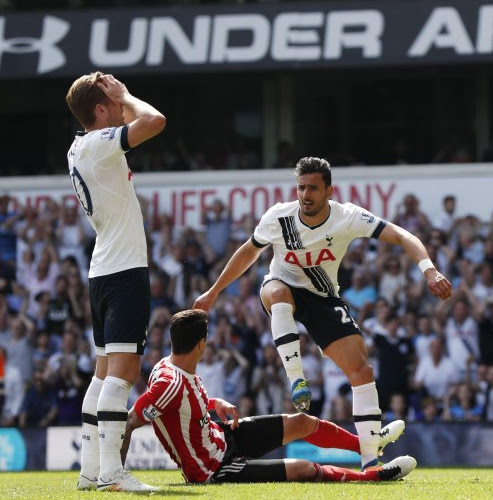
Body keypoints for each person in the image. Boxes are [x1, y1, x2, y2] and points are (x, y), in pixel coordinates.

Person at [194, 157, 452, 470]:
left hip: (323, 297)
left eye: (313, 188)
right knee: (277, 293)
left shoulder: (347, 217)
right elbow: (249, 252)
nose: (305, 194)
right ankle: (297, 380)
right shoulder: (279, 216)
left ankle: (371, 460)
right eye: (301, 187)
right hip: (281, 286)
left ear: (329, 191)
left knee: (362, 371)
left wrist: (429, 270)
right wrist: (214, 291)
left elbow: (401, 235)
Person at [122, 309, 414, 485]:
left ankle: (370, 446)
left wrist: (215, 404)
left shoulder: (169, 366)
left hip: (223, 436)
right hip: (214, 469)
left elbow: (179, 406)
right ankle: (375, 477)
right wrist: (116, 472)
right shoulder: (168, 383)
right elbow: (130, 422)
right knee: (304, 469)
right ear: (202, 344)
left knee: (302, 422)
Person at [65, 71, 166, 492]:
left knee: (103, 374)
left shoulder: (78, 148)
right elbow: (155, 120)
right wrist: (127, 95)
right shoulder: (98, 144)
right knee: (122, 374)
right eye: (111, 101)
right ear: (100, 109)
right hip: (123, 271)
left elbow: (131, 122)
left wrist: (115, 100)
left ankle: (90, 471)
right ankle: (112, 473)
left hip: (103, 269)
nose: (120, 106)